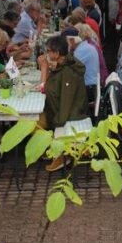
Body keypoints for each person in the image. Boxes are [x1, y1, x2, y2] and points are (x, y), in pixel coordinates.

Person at [40, 34, 88, 171]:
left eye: (49, 51)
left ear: (56, 53)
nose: (47, 53)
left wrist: (58, 122)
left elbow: (67, 101)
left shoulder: (68, 71)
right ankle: (51, 150)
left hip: (73, 113)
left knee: (39, 121)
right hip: (61, 108)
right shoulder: (63, 65)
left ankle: (60, 155)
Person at [64, 27, 100, 104]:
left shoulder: (82, 50)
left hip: (88, 88)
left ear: (72, 41)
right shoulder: (84, 47)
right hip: (90, 86)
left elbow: (68, 69)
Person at [76, 22, 108, 87]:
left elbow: (74, 65)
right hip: (99, 79)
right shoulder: (91, 43)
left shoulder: (85, 48)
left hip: (93, 84)